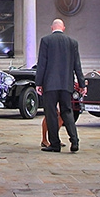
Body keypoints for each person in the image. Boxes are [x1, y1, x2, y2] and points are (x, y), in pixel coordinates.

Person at [35, 19, 84, 152]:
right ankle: (74, 141)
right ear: (63, 28)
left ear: (52, 27)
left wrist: (38, 83)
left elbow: (42, 64)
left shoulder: (46, 41)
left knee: (51, 113)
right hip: (66, 84)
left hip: (50, 84)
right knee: (67, 112)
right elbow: (77, 66)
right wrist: (82, 84)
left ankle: (55, 144)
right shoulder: (72, 43)